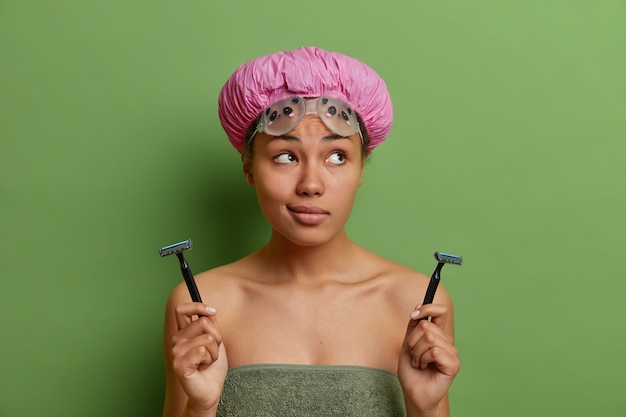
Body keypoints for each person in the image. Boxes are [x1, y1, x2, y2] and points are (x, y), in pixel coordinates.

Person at [162, 46, 460, 417]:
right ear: (249, 168)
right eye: (285, 156)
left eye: (337, 156)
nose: (311, 184)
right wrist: (200, 406)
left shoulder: (417, 303)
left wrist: (424, 407)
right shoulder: (201, 303)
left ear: (361, 170)